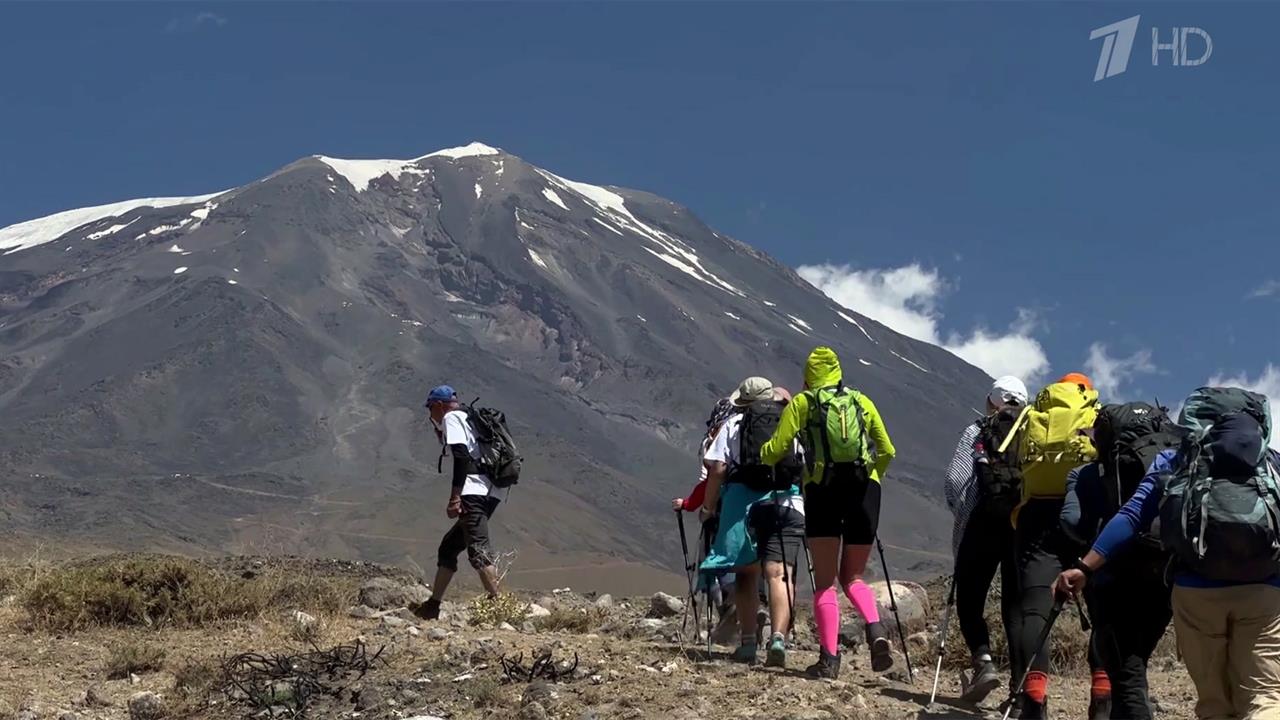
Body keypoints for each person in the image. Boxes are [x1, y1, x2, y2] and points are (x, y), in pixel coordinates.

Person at [1057, 388, 1280, 720]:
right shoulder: (1272, 462)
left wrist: (1084, 568)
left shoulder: (1175, 459)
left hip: (1195, 592)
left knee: (1215, 702)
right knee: (1263, 696)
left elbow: (1132, 516)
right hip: (1266, 592)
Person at [760, 346, 896, 679]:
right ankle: (876, 629)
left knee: (824, 583)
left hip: (822, 493)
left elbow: (776, 449)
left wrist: (764, 455)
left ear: (807, 378)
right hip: (865, 493)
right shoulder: (861, 401)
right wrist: (873, 476)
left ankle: (829, 659)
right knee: (853, 576)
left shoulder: (803, 404)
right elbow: (888, 449)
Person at [1059, 402, 1182, 719]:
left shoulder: (1085, 475)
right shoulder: (1172, 464)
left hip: (1111, 581)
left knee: (1127, 676)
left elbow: (1073, 523)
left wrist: (1088, 555)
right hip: (1164, 575)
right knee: (1134, 665)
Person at [1005, 372, 1108, 719]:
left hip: (1036, 515)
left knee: (1035, 608)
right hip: (1087, 512)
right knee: (1102, 610)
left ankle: (1034, 698)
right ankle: (1103, 693)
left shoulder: (1034, 416)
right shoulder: (1096, 414)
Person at [700, 377, 804, 665]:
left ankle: (747, 644)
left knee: (747, 574)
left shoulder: (732, 426)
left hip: (742, 507)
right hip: (787, 504)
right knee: (779, 573)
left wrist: (708, 507)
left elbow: (718, 468)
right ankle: (779, 639)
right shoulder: (790, 423)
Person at [944, 375, 1028, 702]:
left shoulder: (978, 429)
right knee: (1017, 609)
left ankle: (984, 661)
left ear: (992, 401)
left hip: (982, 523)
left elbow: (956, 479)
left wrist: (962, 515)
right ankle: (1022, 691)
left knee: (969, 598)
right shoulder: (1036, 432)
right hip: (1022, 525)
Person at [413, 384, 506, 620]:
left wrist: (455, 496)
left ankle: (501, 610)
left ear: (439, 405)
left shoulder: (452, 418)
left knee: (478, 550)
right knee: (449, 547)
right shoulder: (468, 417)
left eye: (431, 409)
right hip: (491, 490)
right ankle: (432, 606)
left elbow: (462, 456)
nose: (430, 415)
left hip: (473, 490)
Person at [673, 397, 740, 642]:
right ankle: (748, 614)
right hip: (749, 506)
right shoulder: (745, 435)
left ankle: (725, 611)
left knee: (711, 562)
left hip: (718, 508)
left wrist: (690, 505)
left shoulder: (713, 441)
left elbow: (709, 480)